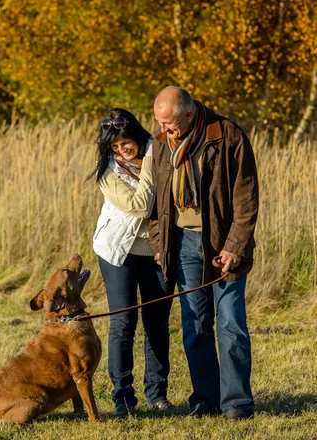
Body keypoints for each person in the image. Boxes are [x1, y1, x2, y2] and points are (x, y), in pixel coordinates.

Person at [149, 86, 258, 421]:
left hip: (222, 247)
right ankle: (204, 400)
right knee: (195, 326)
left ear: (190, 113)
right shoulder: (160, 143)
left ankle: (237, 404)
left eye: (169, 124)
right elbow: (156, 201)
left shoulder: (228, 136)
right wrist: (159, 242)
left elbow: (246, 198)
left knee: (230, 324)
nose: (163, 130)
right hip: (181, 245)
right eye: (159, 123)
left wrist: (235, 246)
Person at [91, 108, 174, 417]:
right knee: (124, 324)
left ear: (137, 135)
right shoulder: (109, 172)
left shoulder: (162, 155)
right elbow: (142, 206)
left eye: (124, 143)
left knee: (157, 324)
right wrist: (152, 156)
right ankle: (123, 398)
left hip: (157, 252)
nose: (120, 150)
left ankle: (157, 394)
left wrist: (153, 154)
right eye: (113, 146)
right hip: (118, 252)